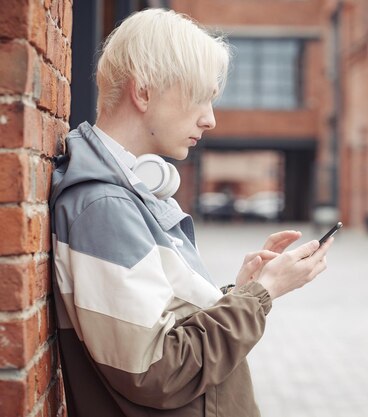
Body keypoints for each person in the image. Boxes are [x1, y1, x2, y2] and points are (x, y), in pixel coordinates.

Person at [50, 8, 332, 417]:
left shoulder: (125, 196)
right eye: (200, 98)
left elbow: (166, 323)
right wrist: (260, 294)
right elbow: (158, 371)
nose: (210, 118)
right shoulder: (104, 208)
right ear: (143, 92)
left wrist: (240, 290)